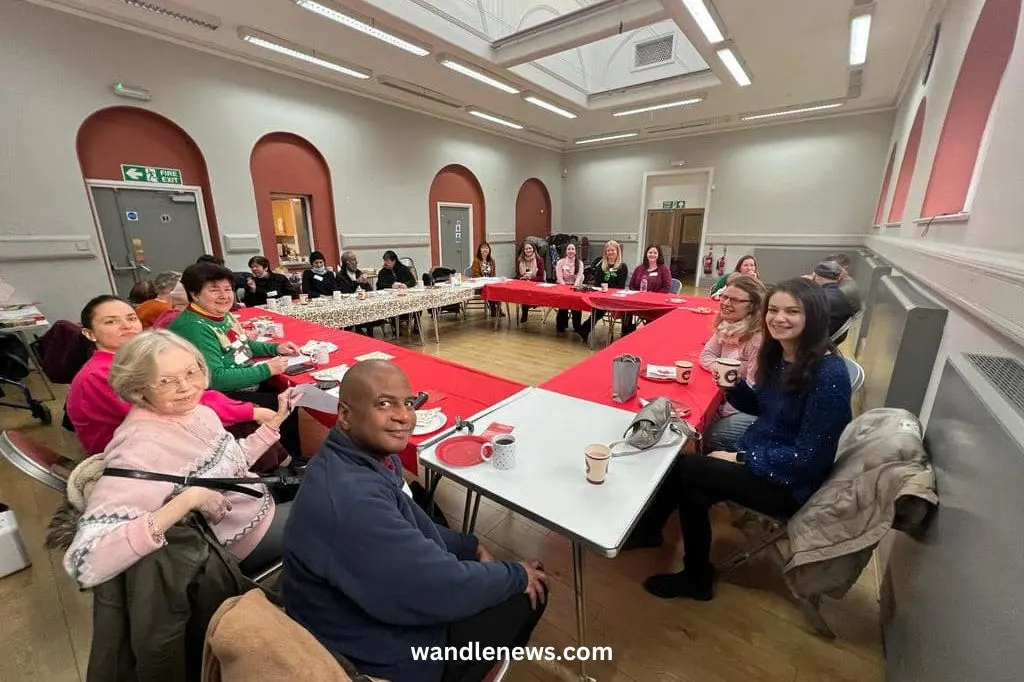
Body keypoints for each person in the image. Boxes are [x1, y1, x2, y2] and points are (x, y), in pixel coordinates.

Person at [282, 360, 548, 682]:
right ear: (345, 415)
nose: (404, 416)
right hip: (385, 658)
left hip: (368, 617)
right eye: (384, 404)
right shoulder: (352, 502)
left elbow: (413, 524)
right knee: (533, 589)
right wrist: (516, 575)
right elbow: (439, 589)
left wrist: (470, 546)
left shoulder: (361, 460)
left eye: (408, 403)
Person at [634, 278, 852, 601]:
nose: (779, 318)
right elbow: (763, 406)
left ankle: (656, 536)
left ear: (814, 317)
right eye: (774, 310)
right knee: (693, 482)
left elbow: (808, 459)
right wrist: (732, 385)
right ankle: (690, 569)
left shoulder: (829, 373)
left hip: (788, 484)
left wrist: (739, 459)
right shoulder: (780, 355)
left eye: (792, 311)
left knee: (686, 466)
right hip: (763, 455)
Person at [62, 329, 298, 589]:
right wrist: (188, 500)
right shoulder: (138, 449)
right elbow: (83, 562)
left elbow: (231, 464)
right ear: (137, 387)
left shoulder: (197, 412)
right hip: (236, 543)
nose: (185, 387)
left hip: (254, 508)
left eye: (191, 372)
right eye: (165, 381)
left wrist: (274, 424)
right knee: (342, 511)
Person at [65, 295, 272, 456]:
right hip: (141, 455)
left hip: (165, 433)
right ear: (89, 333)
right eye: (111, 322)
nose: (127, 326)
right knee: (256, 420)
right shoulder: (99, 375)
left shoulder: (135, 358)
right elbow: (173, 410)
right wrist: (249, 412)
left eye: (131, 318)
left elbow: (193, 394)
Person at [169, 262, 305, 459]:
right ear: (195, 294)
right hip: (221, 395)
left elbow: (242, 344)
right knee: (282, 401)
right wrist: (267, 369)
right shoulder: (195, 327)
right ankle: (284, 462)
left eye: (227, 289)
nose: (224, 296)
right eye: (214, 290)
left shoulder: (219, 315)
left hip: (244, 381)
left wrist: (276, 348)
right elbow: (216, 379)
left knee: (290, 394)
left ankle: (291, 456)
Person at [698, 275, 767, 452]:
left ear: (753, 305)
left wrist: (718, 412)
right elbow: (706, 355)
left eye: (734, 300)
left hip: (751, 409)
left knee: (709, 434)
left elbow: (753, 392)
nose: (726, 303)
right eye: (724, 297)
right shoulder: (728, 325)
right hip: (731, 396)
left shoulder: (758, 339)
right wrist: (721, 369)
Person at [576, 240, 629, 343]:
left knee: (599, 309)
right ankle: (584, 330)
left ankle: (584, 329)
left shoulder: (622, 267)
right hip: (602, 296)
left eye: (612, 250)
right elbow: (597, 283)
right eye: (608, 251)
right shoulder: (602, 266)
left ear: (617, 251)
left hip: (614, 298)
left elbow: (620, 286)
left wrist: (608, 290)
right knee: (598, 308)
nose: (610, 253)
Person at [621, 245, 672, 334]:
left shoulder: (664, 269)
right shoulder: (639, 268)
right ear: (646, 254)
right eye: (650, 252)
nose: (652, 254)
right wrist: (637, 294)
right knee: (626, 311)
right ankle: (626, 337)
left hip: (654, 303)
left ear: (659, 255)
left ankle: (648, 337)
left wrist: (653, 296)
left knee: (652, 317)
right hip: (638, 302)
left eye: (655, 253)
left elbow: (667, 287)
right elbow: (632, 285)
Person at [811, 260, 858, 340]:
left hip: (816, 342)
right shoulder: (839, 295)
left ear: (815, 276)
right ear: (838, 277)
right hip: (829, 339)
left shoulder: (821, 298)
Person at [554, 242, 584, 333]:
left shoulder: (580, 263)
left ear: (575, 251)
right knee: (563, 303)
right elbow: (559, 277)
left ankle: (577, 327)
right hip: (563, 286)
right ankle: (561, 325)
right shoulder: (560, 262)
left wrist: (574, 287)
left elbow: (579, 277)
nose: (570, 251)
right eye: (569, 249)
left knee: (576, 304)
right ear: (566, 251)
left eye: (572, 249)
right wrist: (565, 287)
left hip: (575, 286)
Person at [515, 241, 545, 323]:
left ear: (534, 249)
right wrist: (522, 278)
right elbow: (517, 274)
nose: (528, 250)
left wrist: (529, 279)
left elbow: (541, 277)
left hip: (536, 283)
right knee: (523, 292)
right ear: (523, 250)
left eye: (530, 248)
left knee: (528, 293)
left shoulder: (539, 260)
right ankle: (525, 308)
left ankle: (526, 308)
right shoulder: (519, 260)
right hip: (523, 284)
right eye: (526, 249)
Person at [471, 242, 503, 318]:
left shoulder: (492, 261)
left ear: (489, 250)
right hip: (480, 285)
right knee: (489, 290)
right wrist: (485, 280)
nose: (485, 250)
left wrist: (492, 281)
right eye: (483, 248)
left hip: (490, 283)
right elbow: (476, 275)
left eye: (487, 248)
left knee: (498, 290)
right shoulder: (476, 261)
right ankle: (494, 309)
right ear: (479, 250)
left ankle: (497, 310)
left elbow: (494, 274)